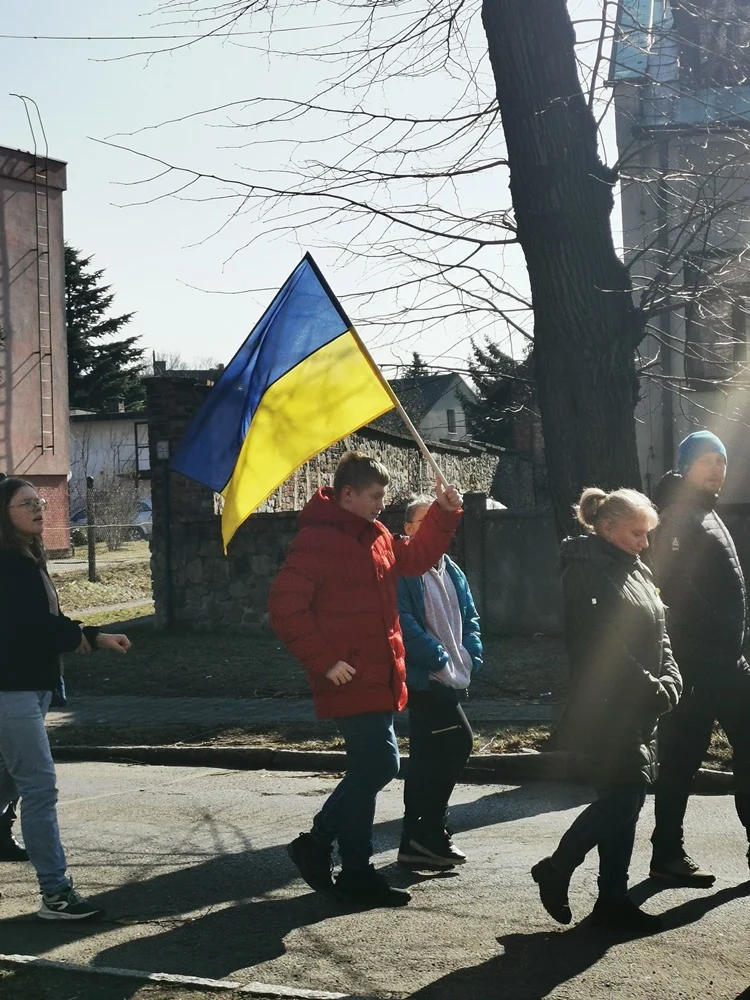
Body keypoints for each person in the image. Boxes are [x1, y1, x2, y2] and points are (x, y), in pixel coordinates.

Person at [269, 452, 462, 908]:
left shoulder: (374, 535)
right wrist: (326, 661)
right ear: (347, 494)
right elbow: (285, 609)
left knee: (367, 770)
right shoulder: (314, 541)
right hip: (349, 675)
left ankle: (356, 871)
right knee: (380, 765)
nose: (381, 505)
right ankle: (315, 842)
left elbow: (415, 557)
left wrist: (444, 513)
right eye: (375, 496)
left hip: (379, 672)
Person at [531, 488, 681, 932]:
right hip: (608, 707)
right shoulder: (587, 570)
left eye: (648, 533)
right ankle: (558, 867)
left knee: (626, 800)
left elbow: (660, 627)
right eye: (637, 533)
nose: (645, 542)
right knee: (623, 798)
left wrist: (671, 677)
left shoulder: (634, 568)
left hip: (641, 706)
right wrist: (652, 688)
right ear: (608, 527)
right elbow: (602, 646)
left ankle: (611, 898)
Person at [0, 477, 131, 919]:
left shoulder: (27, 556)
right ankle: (55, 893)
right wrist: (89, 634)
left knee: (9, 781)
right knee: (39, 787)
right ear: (5, 514)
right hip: (10, 689)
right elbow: (32, 627)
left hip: (31, 686)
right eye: (26, 504)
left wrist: (84, 633)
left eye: (39, 501)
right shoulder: (7, 564)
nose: (39, 508)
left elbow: (47, 620)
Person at [649, 431, 750, 886]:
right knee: (681, 762)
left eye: (722, 462)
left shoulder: (704, 510)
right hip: (698, 666)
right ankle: (667, 854)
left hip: (727, 663)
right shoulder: (677, 517)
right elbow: (674, 596)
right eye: (708, 460)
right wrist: (695, 655)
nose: (717, 469)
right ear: (686, 464)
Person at [395, 496, 481, 869]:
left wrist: (471, 654)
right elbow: (403, 621)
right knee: (458, 743)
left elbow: (470, 616)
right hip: (426, 678)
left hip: (451, 675)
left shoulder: (452, 570)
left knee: (428, 759)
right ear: (409, 529)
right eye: (426, 519)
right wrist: (438, 658)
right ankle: (427, 832)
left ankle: (419, 839)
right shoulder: (406, 570)